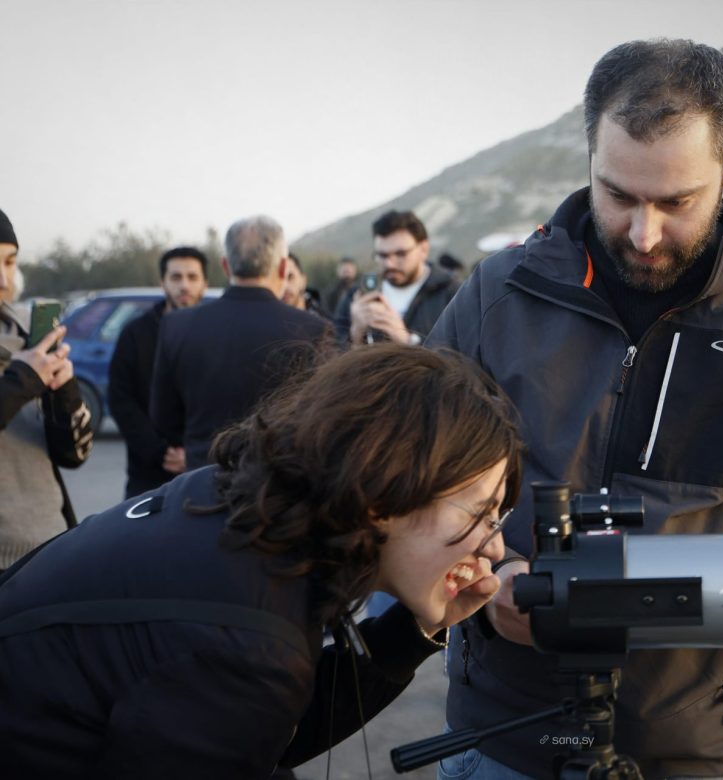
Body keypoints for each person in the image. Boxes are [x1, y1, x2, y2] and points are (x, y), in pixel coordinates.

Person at [429, 39, 723, 780]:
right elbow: (411, 476)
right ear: (589, 157)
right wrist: (489, 575)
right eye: (618, 195)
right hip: (504, 738)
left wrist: (662, 599)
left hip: (701, 753)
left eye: (676, 202)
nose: (643, 234)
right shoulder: (497, 295)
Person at [0, 343, 522, 778]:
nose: (495, 547)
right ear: (382, 497)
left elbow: (268, 728)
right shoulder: (246, 641)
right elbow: (256, 702)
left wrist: (413, 632)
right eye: (482, 513)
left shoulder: (244, 507)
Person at [151, 215, 331, 472]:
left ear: (226, 266)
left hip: (202, 481)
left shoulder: (177, 326)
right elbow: (321, 420)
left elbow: (163, 418)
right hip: (278, 487)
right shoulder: (314, 330)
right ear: (282, 268)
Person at [0, 207, 93, 573]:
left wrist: (62, 391)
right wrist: (23, 379)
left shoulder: (25, 334)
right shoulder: (25, 363)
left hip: (49, 547)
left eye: (9, 262)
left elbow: (74, 455)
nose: (3, 280)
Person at [108, 246, 209, 498]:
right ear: (162, 282)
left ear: (205, 284)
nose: (184, 286)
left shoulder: (217, 334)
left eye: (192, 277)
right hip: (147, 475)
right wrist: (159, 451)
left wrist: (197, 453)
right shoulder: (135, 334)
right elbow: (121, 399)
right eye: (176, 277)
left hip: (206, 472)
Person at [336, 210, 460, 346]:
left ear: (423, 249)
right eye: (382, 255)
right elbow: (332, 354)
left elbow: (464, 358)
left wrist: (408, 341)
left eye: (400, 254)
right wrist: (355, 334)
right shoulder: (356, 297)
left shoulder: (453, 294)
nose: (389, 263)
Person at [283, 252, 329, 319]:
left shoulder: (325, 324)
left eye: (290, 277)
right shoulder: (266, 322)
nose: (285, 286)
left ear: (303, 281)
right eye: (279, 278)